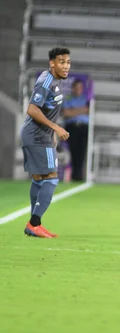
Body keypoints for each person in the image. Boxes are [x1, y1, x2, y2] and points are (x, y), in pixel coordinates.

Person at [20, 47, 71, 238]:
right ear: (52, 63)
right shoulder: (46, 81)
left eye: (67, 62)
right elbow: (32, 109)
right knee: (52, 177)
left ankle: (35, 224)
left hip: (38, 135)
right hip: (37, 136)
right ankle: (34, 223)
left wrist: (52, 132)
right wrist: (55, 128)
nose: (66, 66)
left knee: (40, 178)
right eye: (61, 62)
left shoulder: (53, 81)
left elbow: (47, 110)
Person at [62, 79, 90, 182]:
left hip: (84, 128)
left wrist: (74, 110)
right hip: (72, 127)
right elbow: (66, 113)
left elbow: (88, 111)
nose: (78, 90)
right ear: (73, 88)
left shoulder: (85, 99)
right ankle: (74, 175)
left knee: (82, 152)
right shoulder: (68, 99)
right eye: (76, 87)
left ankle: (79, 175)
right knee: (73, 151)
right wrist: (81, 110)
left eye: (80, 88)